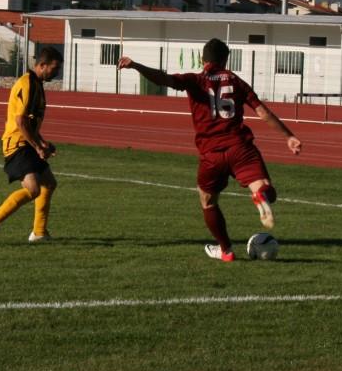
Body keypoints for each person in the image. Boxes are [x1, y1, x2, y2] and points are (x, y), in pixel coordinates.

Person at [117, 37, 302, 262]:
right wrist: (289, 136)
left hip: (211, 154)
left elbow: (164, 79)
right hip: (240, 147)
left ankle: (226, 250)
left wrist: (136, 65)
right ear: (225, 59)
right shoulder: (235, 80)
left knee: (208, 201)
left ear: (202, 59)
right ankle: (260, 195)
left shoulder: (196, 80)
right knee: (265, 188)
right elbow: (262, 112)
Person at [0, 47, 63, 246]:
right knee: (33, 189)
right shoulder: (27, 84)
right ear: (42, 65)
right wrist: (38, 146)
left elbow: (30, 124)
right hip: (17, 144)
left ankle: (39, 232)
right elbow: (21, 121)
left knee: (48, 183)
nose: (56, 73)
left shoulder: (37, 84)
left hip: (27, 143)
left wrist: (42, 142)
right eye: (54, 68)